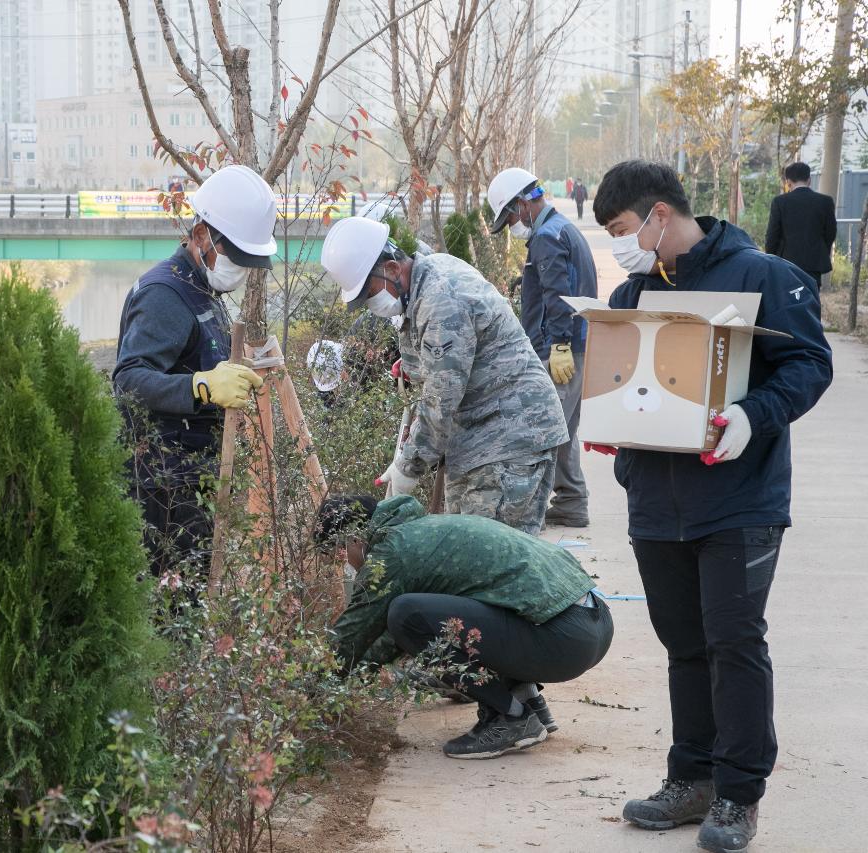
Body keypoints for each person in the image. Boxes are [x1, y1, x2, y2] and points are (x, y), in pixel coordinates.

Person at [592, 160, 832, 853]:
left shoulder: (762, 274)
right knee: (683, 644)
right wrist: (621, 431)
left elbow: (810, 364)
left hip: (739, 498)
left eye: (623, 229)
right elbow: (632, 377)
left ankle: (738, 793)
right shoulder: (639, 287)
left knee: (733, 640)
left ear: (660, 215)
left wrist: (755, 415)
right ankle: (690, 776)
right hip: (657, 502)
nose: (620, 244)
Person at [321, 215, 568, 535]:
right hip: (476, 439)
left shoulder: (441, 299)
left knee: (493, 557)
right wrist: (414, 366)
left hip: (512, 436)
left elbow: (441, 398)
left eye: (369, 293)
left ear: (393, 269)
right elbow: (436, 358)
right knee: (464, 547)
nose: (370, 304)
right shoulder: (422, 281)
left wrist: (407, 467)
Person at [316, 494, 613, 759]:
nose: (345, 566)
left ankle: (510, 717)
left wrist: (312, 691)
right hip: (592, 624)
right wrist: (355, 677)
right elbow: (396, 637)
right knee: (434, 614)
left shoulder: (391, 552)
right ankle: (528, 701)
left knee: (404, 613)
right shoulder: (423, 531)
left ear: (353, 539)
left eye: (337, 555)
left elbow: (353, 634)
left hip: (563, 639)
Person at [113, 165, 275, 584]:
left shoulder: (203, 286)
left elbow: (200, 353)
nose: (240, 268)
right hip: (162, 487)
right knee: (173, 606)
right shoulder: (164, 295)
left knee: (198, 595)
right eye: (236, 256)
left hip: (192, 478)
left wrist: (248, 363)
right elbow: (128, 379)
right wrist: (200, 387)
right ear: (202, 235)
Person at [487, 167, 598, 528]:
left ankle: (529, 512)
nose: (512, 227)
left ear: (522, 204)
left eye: (510, 218)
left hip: (563, 347)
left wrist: (559, 345)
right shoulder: (558, 228)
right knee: (562, 428)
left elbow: (558, 295)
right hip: (571, 343)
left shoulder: (546, 236)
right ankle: (572, 501)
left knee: (545, 431)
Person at [764, 161, 837, 291]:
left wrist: (771, 258)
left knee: (790, 301)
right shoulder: (825, 202)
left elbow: (772, 235)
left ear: (788, 182)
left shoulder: (780, 202)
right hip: (814, 263)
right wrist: (820, 250)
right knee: (811, 300)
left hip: (786, 263)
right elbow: (830, 233)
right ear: (809, 180)